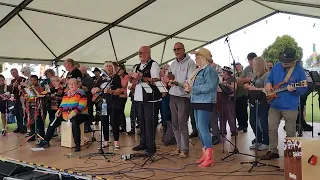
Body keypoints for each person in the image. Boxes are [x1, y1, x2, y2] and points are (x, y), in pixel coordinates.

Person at [261, 47, 307, 160]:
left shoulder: (299, 70)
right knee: (271, 128)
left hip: (290, 106)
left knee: (290, 131)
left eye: (287, 62)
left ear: (293, 60)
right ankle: (273, 151)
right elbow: (269, 79)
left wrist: (295, 89)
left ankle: (291, 155)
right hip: (274, 104)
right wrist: (267, 84)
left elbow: (304, 88)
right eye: (283, 61)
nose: (284, 64)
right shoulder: (277, 66)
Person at [184, 47, 218, 167]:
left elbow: (210, 86)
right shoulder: (200, 70)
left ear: (203, 58)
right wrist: (189, 87)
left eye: (197, 57)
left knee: (203, 128)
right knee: (199, 128)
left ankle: (209, 156)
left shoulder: (209, 70)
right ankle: (205, 154)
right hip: (198, 100)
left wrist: (193, 88)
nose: (195, 59)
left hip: (205, 101)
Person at [164, 42, 196, 158]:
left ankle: (185, 150)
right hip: (173, 95)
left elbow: (190, 82)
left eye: (178, 49)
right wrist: (167, 80)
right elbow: (168, 76)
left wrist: (177, 83)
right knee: (175, 123)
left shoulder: (190, 63)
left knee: (182, 123)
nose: (176, 51)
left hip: (183, 97)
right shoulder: (173, 63)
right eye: (174, 49)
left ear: (183, 49)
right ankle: (179, 147)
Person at [37, 78, 88, 152]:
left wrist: (73, 113)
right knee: (53, 121)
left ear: (77, 85)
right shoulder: (66, 94)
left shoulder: (81, 92)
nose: (72, 85)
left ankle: (77, 144)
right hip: (66, 114)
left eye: (74, 83)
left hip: (80, 114)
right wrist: (59, 111)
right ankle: (46, 141)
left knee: (74, 121)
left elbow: (82, 106)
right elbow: (62, 105)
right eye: (70, 84)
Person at [131, 46, 161, 156]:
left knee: (149, 123)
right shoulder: (137, 66)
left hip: (150, 98)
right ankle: (142, 143)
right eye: (139, 52)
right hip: (139, 97)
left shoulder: (154, 64)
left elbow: (156, 80)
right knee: (142, 122)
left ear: (148, 53)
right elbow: (133, 81)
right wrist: (131, 78)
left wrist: (142, 78)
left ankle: (151, 147)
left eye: (141, 52)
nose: (139, 54)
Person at [91, 62, 122, 150]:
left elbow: (119, 90)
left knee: (114, 122)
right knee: (104, 122)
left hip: (114, 102)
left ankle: (116, 141)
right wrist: (95, 90)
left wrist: (111, 92)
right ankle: (105, 141)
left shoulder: (115, 77)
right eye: (106, 66)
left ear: (113, 68)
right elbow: (94, 88)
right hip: (104, 102)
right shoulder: (101, 77)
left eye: (110, 66)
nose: (108, 68)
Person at [244, 57, 269, 151]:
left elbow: (268, 89)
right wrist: (248, 86)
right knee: (253, 121)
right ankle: (258, 140)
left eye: (253, 64)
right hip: (253, 100)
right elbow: (252, 84)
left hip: (263, 101)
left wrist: (255, 89)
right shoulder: (255, 75)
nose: (252, 66)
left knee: (263, 122)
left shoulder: (267, 74)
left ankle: (266, 141)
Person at [236, 53, 257, 133]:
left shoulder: (262, 67)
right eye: (249, 60)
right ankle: (258, 138)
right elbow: (238, 81)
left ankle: (264, 140)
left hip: (261, 96)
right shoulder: (247, 69)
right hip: (250, 96)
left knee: (261, 120)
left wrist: (248, 80)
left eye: (252, 60)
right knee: (252, 120)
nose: (250, 62)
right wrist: (247, 79)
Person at [22, 75, 46, 141]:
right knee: (31, 121)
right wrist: (25, 96)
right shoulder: (28, 88)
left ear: (37, 81)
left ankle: (42, 135)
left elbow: (39, 94)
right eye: (31, 80)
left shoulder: (40, 87)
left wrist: (32, 88)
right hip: (30, 106)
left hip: (38, 107)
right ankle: (32, 134)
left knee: (39, 121)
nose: (33, 82)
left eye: (34, 80)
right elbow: (25, 95)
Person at [220, 66, 237, 136]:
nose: (222, 73)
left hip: (229, 99)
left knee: (230, 115)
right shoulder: (222, 79)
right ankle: (222, 130)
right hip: (223, 99)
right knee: (222, 116)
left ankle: (233, 130)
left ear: (227, 73)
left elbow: (234, 87)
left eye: (223, 72)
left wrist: (227, 85)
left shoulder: (232, 78)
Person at [9, 68, 26, 134]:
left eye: (14, 72)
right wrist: (12, 86)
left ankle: (23, 128)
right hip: (15, 99)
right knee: (17, 113)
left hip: (21, 98)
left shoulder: (22, 79)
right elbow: (10, 90)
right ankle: (19, 127)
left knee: (21, 113)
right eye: (12, 73)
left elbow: (25, 89)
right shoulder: (12, 80)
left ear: (17, 72)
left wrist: (18, 87)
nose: (13, 74)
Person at [79, 65, 94, 133]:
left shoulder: (89, 78)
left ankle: (88, 127)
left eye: (83, 70)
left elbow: (88, 89)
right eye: (81, 70)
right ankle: (83, 126)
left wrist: (80, 85)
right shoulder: (79, 77)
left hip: (87, 98)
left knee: (88, 112)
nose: (82, 72)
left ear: (86, 71)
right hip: (80, 98)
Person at [117, 64, 129, 133]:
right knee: (119, 111)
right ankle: (120, 125)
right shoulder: (117, 77)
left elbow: (124, 85)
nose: (118, 71)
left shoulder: (126, 76)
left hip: (123, 95)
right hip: (119, 95)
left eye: (120, 70)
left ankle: (123, 126)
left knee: (121, 110)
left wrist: (120, 78)